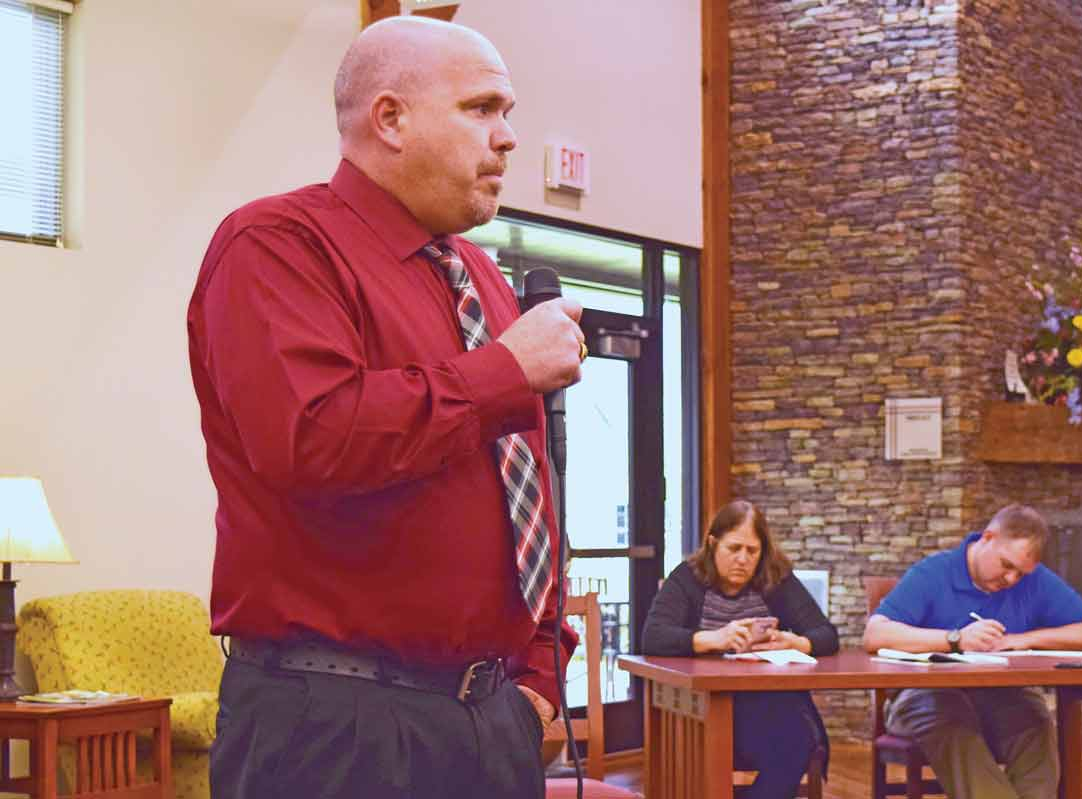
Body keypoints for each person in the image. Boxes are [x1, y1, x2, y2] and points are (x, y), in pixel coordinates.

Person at [186, 17, 587, 799]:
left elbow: (528, 494)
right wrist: (504, 370)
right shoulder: (276, 245)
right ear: (390, 119)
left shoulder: (482, 278)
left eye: (508, 113)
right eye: (482, 109)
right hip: (334, 726)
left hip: (490, 716)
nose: (507, 138)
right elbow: (313, 436)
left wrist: (539, 670)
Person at [862, 504, 1082, 799]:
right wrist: (954, 639)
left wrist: (1025, 639)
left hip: (1000, 692)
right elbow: (874, 634)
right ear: (988, 538)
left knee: (1036, 724)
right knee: (951, 723)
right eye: (1006, 566)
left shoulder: (1035, 581)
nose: (1011, 580)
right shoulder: (933, 572)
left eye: (1020, 573)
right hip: (924, 694)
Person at [642, 500, 839, 799]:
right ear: (713, 544)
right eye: (733, 549)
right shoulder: (687, 577)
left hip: (767, 700)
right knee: (789, 745)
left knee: (796, 743)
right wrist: (713, 639)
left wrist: (797, 642)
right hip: (703, 705)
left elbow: (827, 635)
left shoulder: (776, 577)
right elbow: (653, 637)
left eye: (752, 551)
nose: (743, 559)